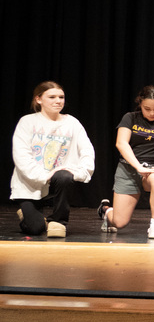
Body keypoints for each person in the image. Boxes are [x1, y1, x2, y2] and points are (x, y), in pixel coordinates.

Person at [97, 85, 154, 239]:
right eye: (147, 109)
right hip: (128, 169)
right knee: (119, 222)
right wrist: (138, 167)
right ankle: (106, 210)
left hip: (153, 168)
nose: (153, 113)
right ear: (140, 104)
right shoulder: (130, 118)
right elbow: (121, 143)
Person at [10, 81, 95, 238]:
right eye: (52, 97)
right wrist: (44, 175)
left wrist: (80, 172)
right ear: (39, 99)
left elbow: (87, 150)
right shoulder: (27, 121)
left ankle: (58, 221)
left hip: (58, 179)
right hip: (31, 182)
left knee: (64, 175)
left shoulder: (72, 122)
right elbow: (21, 155)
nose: (58, 101)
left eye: (61, 97)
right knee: (35, 229)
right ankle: (32, 217)